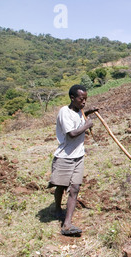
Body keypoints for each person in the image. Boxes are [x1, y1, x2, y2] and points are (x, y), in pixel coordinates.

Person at [48, 84, 97, 236]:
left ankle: (67, 224)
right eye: (81, 99)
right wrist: (87, 124)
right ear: (72, 98)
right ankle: (57, 208)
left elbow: (79, 120)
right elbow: (72, 134)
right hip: (64, 156)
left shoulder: (79, 112)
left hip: (78, 156)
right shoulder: (64, 112)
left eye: (85, 100)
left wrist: (88, 113)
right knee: (61, 187)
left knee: (75, 188)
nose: (84, 102)